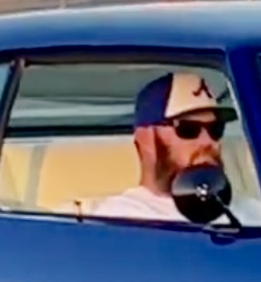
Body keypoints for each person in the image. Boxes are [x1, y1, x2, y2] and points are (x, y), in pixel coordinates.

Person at [78, 71, 236, 221]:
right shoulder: (121, 217)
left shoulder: (246, 209)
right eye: (188, 129)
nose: (207, 141)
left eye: (215, 129)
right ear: (146, 139)